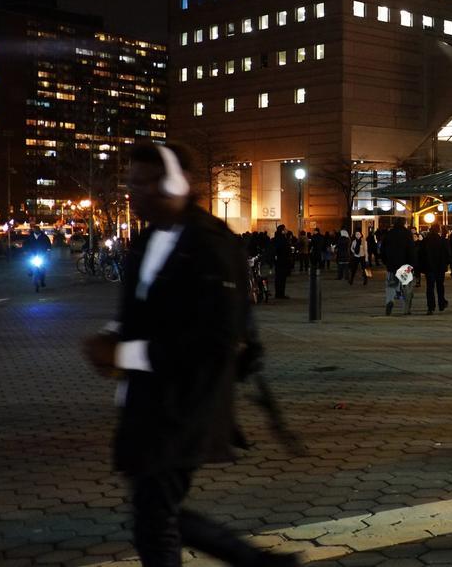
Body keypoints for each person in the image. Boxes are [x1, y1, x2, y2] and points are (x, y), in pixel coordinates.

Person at [81, 142, 296, 567]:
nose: (134, 192)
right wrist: (110, 336)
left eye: (146, 182)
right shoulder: (145, 238)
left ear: (178, 183)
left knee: (154, 519)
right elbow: (139, 312)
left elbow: (212, 342)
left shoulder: (209, 246)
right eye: (131, 183)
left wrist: (126, 355)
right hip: (149, 400)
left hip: (186, 401)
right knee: (157, 511)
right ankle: (262, 563)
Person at [382, 220, 415, 315]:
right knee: (406, 287)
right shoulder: (407, 234)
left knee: (391, 286)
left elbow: (383, 249)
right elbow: (411, 250)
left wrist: (386, 261)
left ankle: (390, 301)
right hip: (405, 266)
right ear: (404, 224)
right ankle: (406, 309)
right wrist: (412, 264)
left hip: (391, 265)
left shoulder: (389, 234)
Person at [418, 226, 451, 315]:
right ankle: (441, 304)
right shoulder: (443, 241)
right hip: (440, 268)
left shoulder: (425, 241)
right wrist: (446, 264)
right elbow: (448, 254)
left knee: (430, 288)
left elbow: (420, 254)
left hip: (429, 268)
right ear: (438, 231)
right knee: (440, 286)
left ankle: (430, 307)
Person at [26, 225, 52, 290]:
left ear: (39, 230)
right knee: (29, 264)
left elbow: (48, 245)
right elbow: (26, 244)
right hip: (32, 255)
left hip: (42, 255)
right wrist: (25, 251)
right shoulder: (30, 237)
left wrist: (48, 252)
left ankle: (42, 281)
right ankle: (30, 272)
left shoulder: (44, 237)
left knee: (43, 268)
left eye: (37, 229)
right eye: (34, 230)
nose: (36, 231)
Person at [272, 225, 293, 299]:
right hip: (282, 261)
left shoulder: (277, 238)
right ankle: (280, 294)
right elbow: (284, 250)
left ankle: (279, 293)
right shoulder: (282, 239)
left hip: (279, 261)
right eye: (285, 229)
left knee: (279, 278)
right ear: (282, 230)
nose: (286, 230)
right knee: (281, 278)